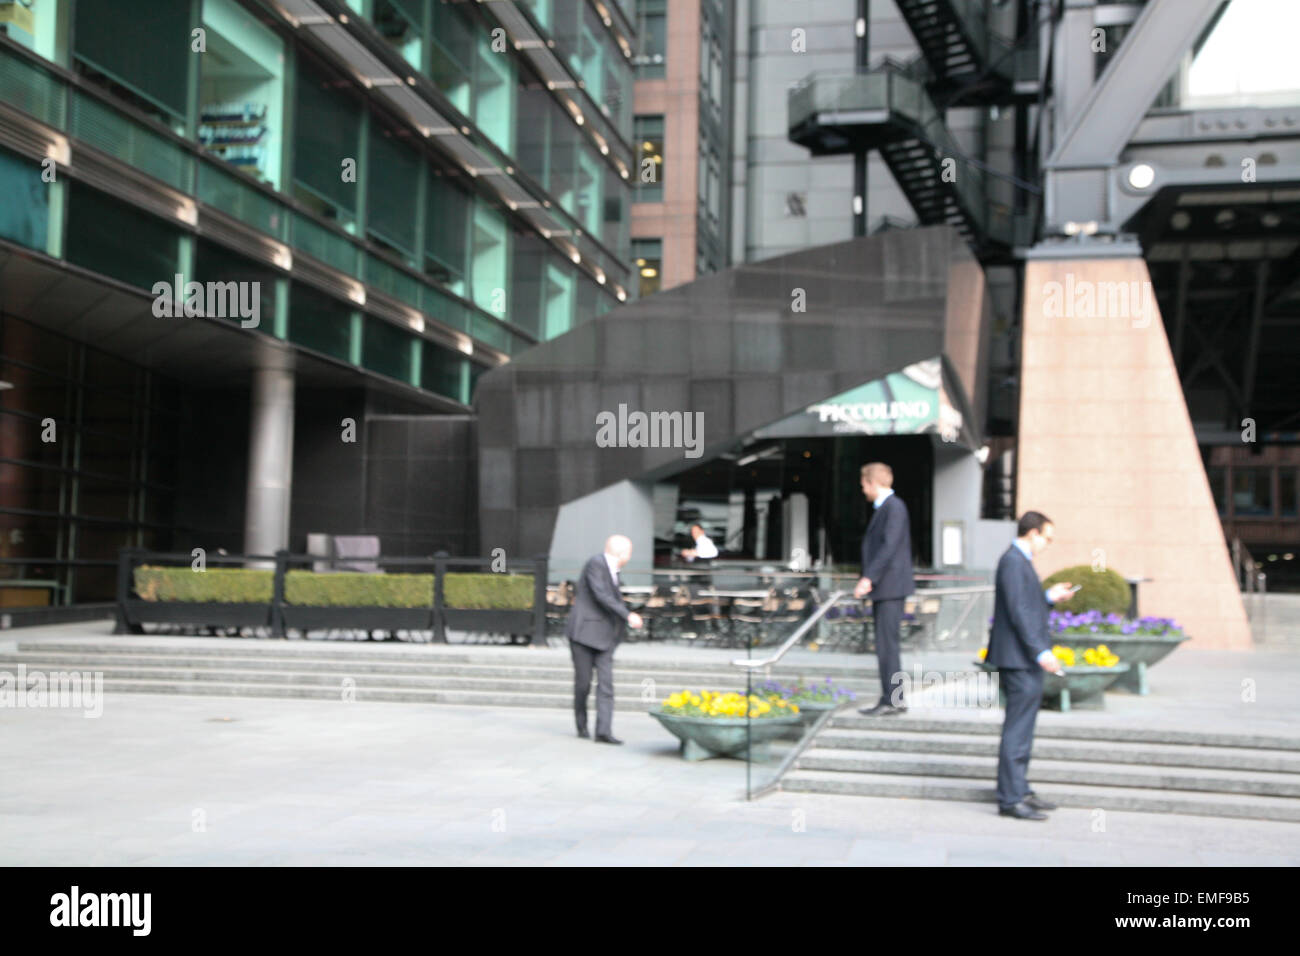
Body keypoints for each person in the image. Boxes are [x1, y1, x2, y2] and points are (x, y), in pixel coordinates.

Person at [987, 511, 1075, 820]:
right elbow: (1018, 611)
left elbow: (1026, 603)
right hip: (1019, 659)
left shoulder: (1019, 561)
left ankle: (1020, 790)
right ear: (1032, 532)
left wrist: (1049, 597)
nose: (1047, 544)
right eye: (1046, 538)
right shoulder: (1013, 561)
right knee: (1018, 729)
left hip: (1021, 658)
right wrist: (1040, 652)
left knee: (1023, 729)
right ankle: (1010, 799)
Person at [565, 534, 644, 744]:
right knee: (583, 684)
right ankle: (581, 725)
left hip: (606, 637)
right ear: (621, 553)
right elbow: (601, 595)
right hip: (583, 635)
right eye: (629, 553)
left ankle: (603, 731)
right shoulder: (596, 563)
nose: (629, 557)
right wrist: (628, 615)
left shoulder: (613, 570)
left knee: (606, 684)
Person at [854, 462, 915, 716]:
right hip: (887, 588)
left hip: (889, 588)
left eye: (864, 485)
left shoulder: (893, 507)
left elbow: (888, 547)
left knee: (887, 646)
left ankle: (892, 700)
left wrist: (868, 578)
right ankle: (893, 698)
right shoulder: (889, 508)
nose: (862, 490)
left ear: (873, 482)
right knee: (887, 646)